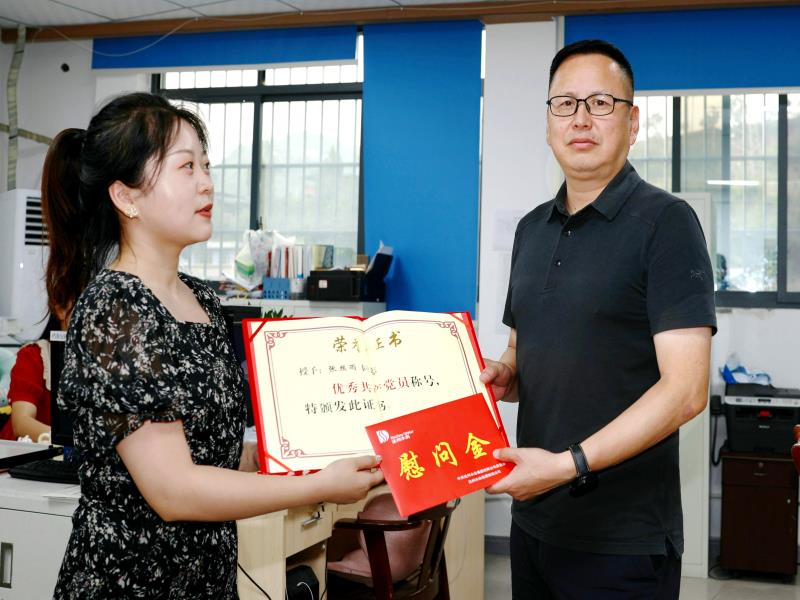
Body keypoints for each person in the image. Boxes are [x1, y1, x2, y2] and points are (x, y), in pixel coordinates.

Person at [43, 92, 384, 599]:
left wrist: (284, 455)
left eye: (206, 165)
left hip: (207, 579)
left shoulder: (200, 298)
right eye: (186, 167)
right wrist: (319, 486)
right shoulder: (115, 308)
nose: (207, 182)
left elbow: (212, 452)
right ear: (126, 197)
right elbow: (174, 490)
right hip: (129, 584)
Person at [480, 40, 716, 599]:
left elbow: (686, 391)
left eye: (601, 103)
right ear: (548, 123)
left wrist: (569, 465)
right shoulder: (530, 230)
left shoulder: (667, 223)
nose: (581, 119)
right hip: (534, 524)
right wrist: (506, 374)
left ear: (632, 123)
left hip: (622, 541)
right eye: (565, 103)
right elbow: (522, 350)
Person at [0, 313, 63, 441]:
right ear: (60, 309)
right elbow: (22, 424)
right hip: (26, 450)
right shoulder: (34, 355)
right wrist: (72, 441)